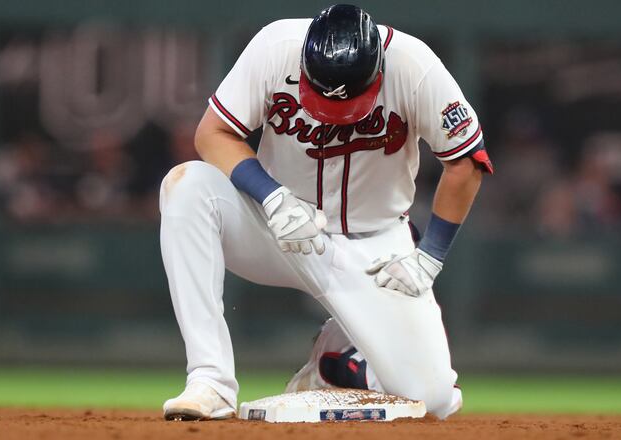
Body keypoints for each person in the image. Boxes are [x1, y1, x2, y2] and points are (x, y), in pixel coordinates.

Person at [159, 4, 492, 421]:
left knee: (434, 400)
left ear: (377, 72)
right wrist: (272, 197)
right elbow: (212, 133)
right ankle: (210, 380)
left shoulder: (416, 66)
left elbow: (466, 161)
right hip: (275, 227)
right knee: (186, 186)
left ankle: (337, 360)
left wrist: (429, 256)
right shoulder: (275, 46)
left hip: (374, 250)